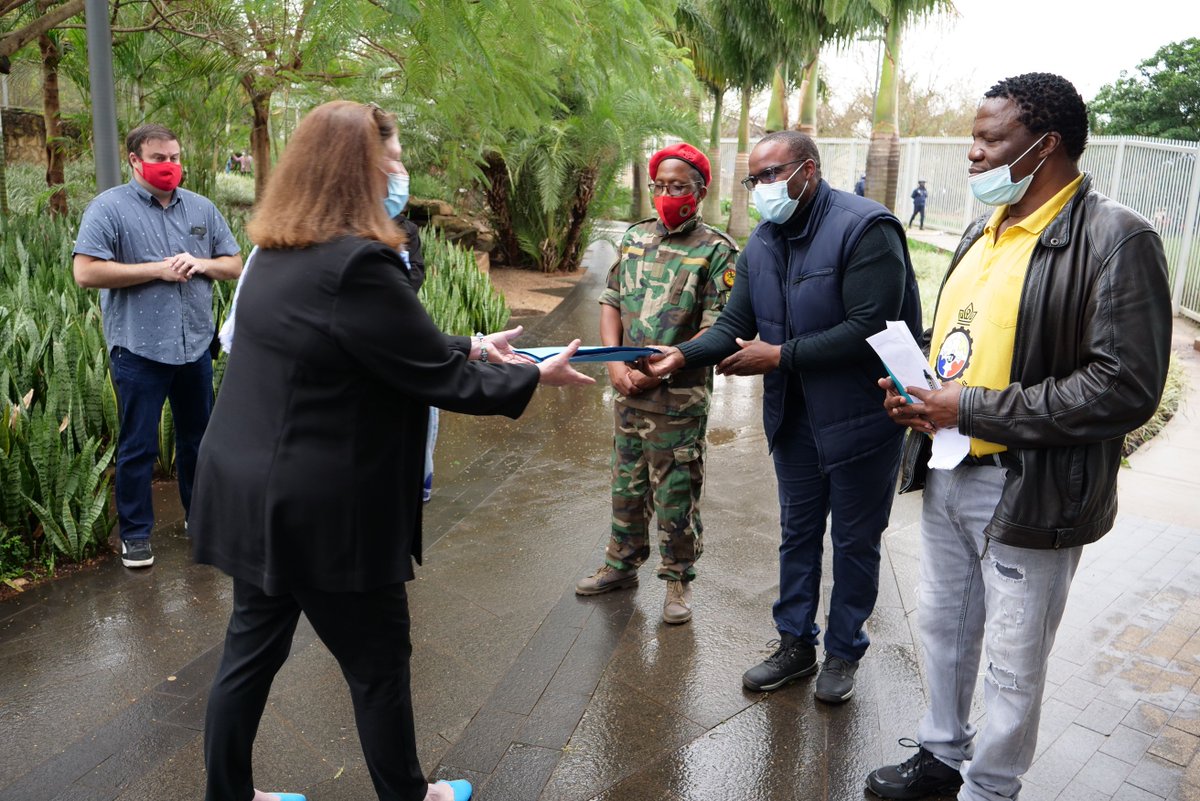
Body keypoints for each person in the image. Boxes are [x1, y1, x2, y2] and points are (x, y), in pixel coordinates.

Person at [189, 101, 594, 801]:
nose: (399, 171)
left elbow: (376, 343)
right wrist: (532, 369)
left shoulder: (281, 250)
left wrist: (472, 342)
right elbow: (439, 378)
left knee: (249, 654)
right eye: (392, 159)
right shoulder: (358, 263)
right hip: (322, 511)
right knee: (378, 663)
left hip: (253, 491)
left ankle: (229, 795)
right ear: (360, 168)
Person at [866, 73, 1172, 801]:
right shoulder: (983, 229)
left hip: (1032, 486)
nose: (972, 153)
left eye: (990, 138)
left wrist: (968, 407)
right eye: (975, 137)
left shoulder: (1116, 238)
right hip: (949, 468)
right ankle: (941, 755)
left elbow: (1124, 387)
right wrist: (921, 395)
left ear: (1046, 145)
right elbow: (969, 342)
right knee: (942, 625)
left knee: (1013, 655)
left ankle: (991, 785)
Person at [645, 131, 921, 702]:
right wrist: (682, 354)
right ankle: (795, 643)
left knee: (854, 541)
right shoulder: (764, 241)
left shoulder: (867, 228)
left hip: (862, 419)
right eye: (755, 178)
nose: (763, 187)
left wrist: (779, 356)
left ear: (809, 170)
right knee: (796, 535)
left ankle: (844, 651)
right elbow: (732, 325)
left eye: (773, 174)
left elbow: (870, 326)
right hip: (793, 419)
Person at [574, 142, 737, 625]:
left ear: (700, 191)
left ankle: (678, 581)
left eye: (678, 186)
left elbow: (719, 327)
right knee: (626, 485)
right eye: (660, 185)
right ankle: (621, 565)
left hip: (677, 400)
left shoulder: (716, 250)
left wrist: (663, 367)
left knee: (676, 493)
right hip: (627, 391)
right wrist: (613, 366)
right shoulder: (635, 237)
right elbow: (611, 298)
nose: (667, 194)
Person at [72, 123, 242, 569]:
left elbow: (235, 263)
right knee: (138, 447)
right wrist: (155, 270)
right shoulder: (108, 208)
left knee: (197, 441)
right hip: (139, 351)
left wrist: (201, 262)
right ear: (135, 159)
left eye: (174, 157)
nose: (169, 166)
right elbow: (86, 272)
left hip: (195, 349)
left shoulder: (201, 208)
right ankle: (135, 535)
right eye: (159, 158)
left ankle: (200, 518)